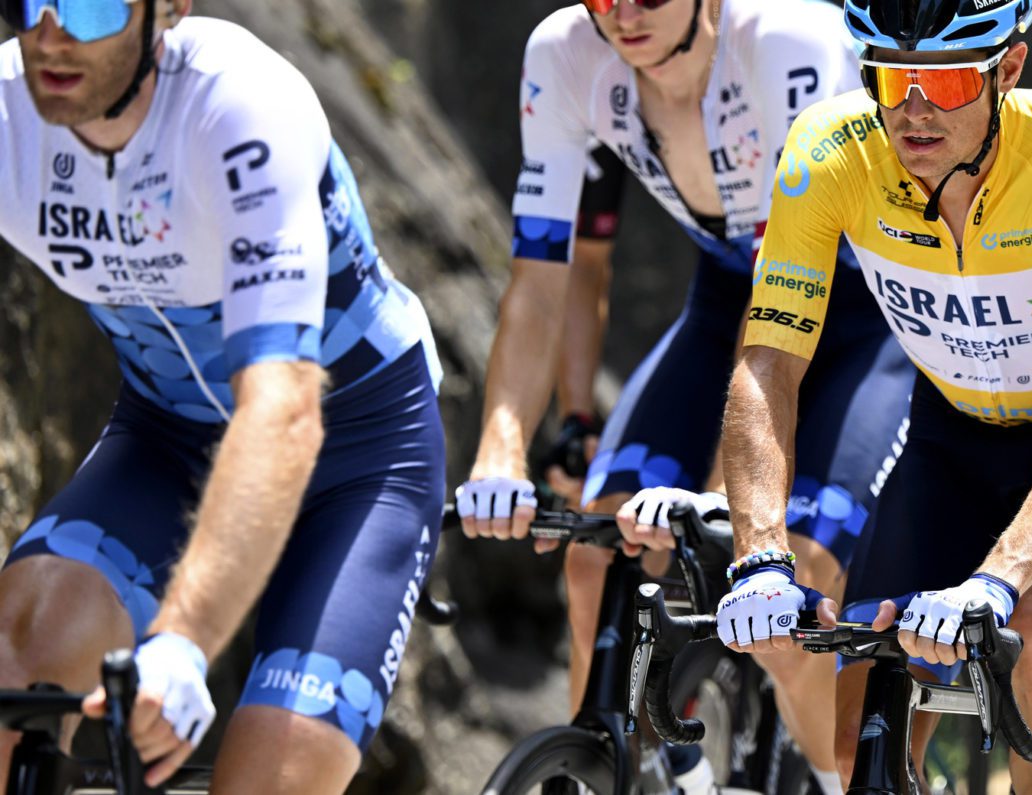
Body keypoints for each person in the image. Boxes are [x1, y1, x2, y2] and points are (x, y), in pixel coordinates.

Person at [713, 0, 1032, 789]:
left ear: (1009, 69)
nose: (914, 109)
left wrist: (997, 579)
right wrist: (760, 554)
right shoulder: (828, 152)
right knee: (856, 742)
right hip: (951, 427)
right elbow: (768, 367)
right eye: (890, 78)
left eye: (948, 83)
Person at [456, 0, 914, 789]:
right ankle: (616, 769)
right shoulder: (563, 54)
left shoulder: (784, 42)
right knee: (598, 556)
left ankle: (837, 780)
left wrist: (719, 497)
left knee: (791, 594)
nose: (625, 14)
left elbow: (780, 305)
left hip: (865, 319)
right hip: (727, 301)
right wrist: (500, 450)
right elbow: (540, 280)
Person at [0, 1, 445, 793]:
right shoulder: (8, 117)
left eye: (93, 5)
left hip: (357, 451)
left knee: (273, 772)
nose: (52, 33)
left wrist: (183, 640)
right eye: (28, 0)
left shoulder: (239, 104)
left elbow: (283, 411)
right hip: (167, 440)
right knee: (19, 652)